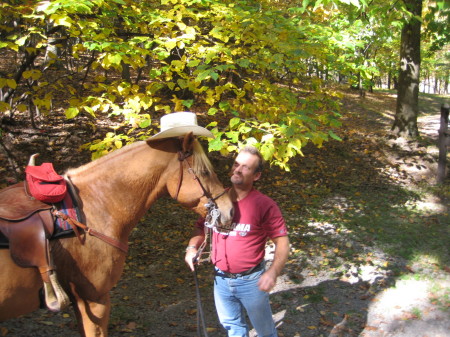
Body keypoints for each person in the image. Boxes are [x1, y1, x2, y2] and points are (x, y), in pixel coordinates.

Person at [185, 145, 290, 337]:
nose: (238, 170)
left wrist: (273, 273)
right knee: (233, 328)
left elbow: (282, 241)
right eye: (236, 164)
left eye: (246, 167)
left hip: (251, 281)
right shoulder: (216, 198)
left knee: (265, 331)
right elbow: (201, 228)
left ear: (256, 176)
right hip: (221, 280)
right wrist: (192, 247)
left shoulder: (264, 205)